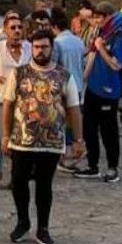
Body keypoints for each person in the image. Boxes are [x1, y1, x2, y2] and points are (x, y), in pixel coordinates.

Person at [1, 31, 84, 244]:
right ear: (32, 48)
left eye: (44, 47)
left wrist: (78, 139)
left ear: (51, 49)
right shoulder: (19, 74)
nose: (40, 51)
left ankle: (43, 228)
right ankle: (22, 221)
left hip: (51, 141)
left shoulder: (63, 76)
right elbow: (8, 104)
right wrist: (4, 135)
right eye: (37, 47)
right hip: (22, 140)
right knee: (18, 182)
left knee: (44, 185)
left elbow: (73, 108)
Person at [73, 3, 122, 182]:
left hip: (109, 91)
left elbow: (116, 65)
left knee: (108, 131)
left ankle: (113, 168)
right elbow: (92, 56)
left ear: (109, 18)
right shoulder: (99, 34)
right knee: (89, 129)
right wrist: (84, 78)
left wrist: (101, 48)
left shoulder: (119, 37)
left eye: (100, 17)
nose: (96, 20)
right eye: (95, 17)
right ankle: (92, 165)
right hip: (92, 89)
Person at [0, 12, 29, 189]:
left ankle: (15, 175)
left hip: (22, 101)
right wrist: (4, 79)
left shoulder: (29, 47)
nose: (17, 31)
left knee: (18, 140)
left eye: (19, 27)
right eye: (13, 28)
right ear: (5, 30)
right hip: (1, 98)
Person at [49, 10, 86, 171]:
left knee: (61, 122)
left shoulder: (57, 43)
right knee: (74, 120)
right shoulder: (79, 41)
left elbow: (54, 66)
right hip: (77, 85)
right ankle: (72, 148)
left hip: (63, 86)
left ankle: (62, 155)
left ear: (54, 26)